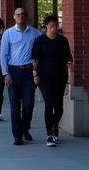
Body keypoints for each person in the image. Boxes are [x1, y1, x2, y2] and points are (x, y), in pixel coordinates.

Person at [0, 7, 43, 145]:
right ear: (13, 16)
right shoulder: (8, 33)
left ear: (26, 16)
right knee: (14, 105)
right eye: (18, 14)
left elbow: (45, 44)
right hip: (13, 71)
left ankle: (25, 128)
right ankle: (17, 135)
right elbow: (3, 55)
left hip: (28, 72)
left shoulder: (35, 33)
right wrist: (5, 73)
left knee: (29, 104)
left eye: (23, 14)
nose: (20, 16)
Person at [32, 14, 74, 147]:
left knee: (59, 106)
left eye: (56, 26)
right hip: (44, 77)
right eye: (52, 26)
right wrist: (34, 74)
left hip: (60, 77)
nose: (55, 28)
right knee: (50, 104)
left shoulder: (62, 41)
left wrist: (69, 79)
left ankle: (55, 126)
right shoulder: (40, 41)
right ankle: (49, 134)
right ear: (47, 27)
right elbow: (36, 59)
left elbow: (69, 61)